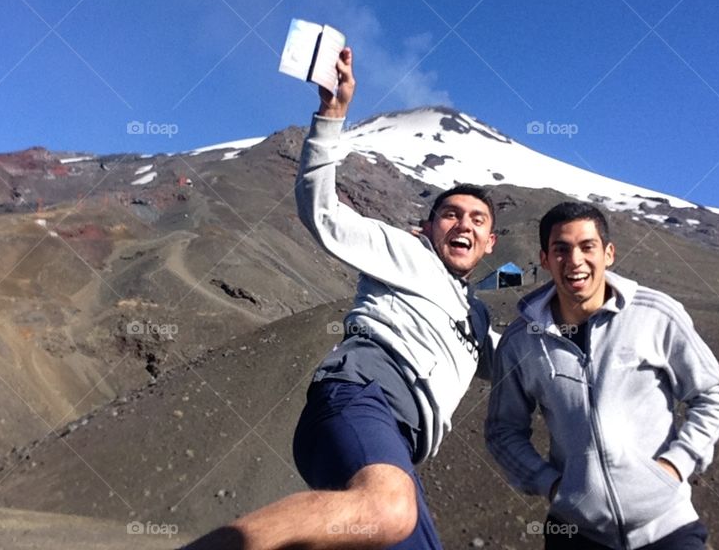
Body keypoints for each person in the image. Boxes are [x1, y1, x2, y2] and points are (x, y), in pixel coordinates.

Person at [183, 48, 498, 550]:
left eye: (477, 220)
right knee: (388, 508)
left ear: (490, 244)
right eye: (451, 214)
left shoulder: (478, 320)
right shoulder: (405, 251)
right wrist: (331, 115)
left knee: (395, 519)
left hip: (396, 446)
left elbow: (527, 362)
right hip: (360, 398)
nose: (463, 224)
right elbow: (324, 214)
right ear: (427, 227)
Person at [486, 202, 719, 550]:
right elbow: (502, 430)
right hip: (575, 532)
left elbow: (713, 393)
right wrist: (550, 485)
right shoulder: (520, 341)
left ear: (609, 253)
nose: (575, 261)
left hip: (668, 529)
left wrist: (676, 465)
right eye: (561, 249)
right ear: (544, 259)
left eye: (587, 247)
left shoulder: (655, 314)